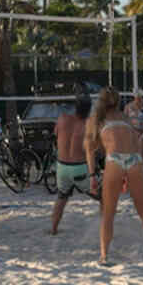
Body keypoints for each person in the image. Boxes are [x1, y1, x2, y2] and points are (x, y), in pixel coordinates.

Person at [85, 87, 143, 265]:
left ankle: (104, 255)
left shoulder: (96, 120)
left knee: (108, 213)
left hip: (114, 159)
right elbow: (138, 145)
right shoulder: (125, 118)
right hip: (134, 160)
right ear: (117, 101)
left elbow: (89, 150)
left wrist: (93, 175)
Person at [50, 92, 92, 235]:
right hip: (79, 167)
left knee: (61, 199)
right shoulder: (88, 124)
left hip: (61, 167)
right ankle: (105, 225)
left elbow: (56, 134)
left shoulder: (62, 118)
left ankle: (53, 229)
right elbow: (91, 149)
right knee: (102, 197)